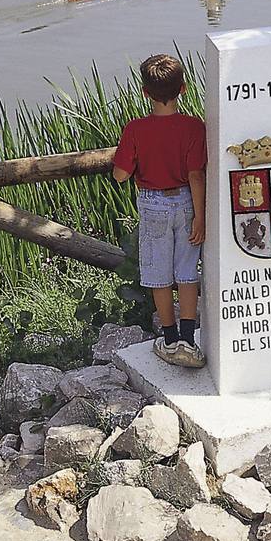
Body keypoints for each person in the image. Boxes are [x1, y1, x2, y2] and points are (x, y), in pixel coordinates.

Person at [112, 54, 207, 368]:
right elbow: (196, 175)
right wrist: (201, 217)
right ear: (183, 89)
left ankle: (168, 339)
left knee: (159, 274)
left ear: (144, 91)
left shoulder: (135, 129)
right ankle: (189, 341)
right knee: (187, 271)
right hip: (186, 202)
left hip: (153, 203)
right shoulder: (194, 127)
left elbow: (121, 175)